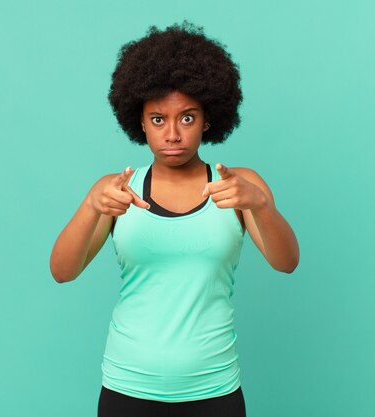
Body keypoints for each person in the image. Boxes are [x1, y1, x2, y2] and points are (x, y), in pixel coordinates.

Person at [49, 21, 299, 417]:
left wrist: (261, 206)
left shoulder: (239, 185)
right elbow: (62, 271)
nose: (172, 135)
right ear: (140, 122)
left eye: (187, 118)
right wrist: (91, 207)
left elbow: (286, 263)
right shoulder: (116, 190)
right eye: (157, 119)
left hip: (214, 388)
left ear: (208, 119)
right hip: (127, 388)